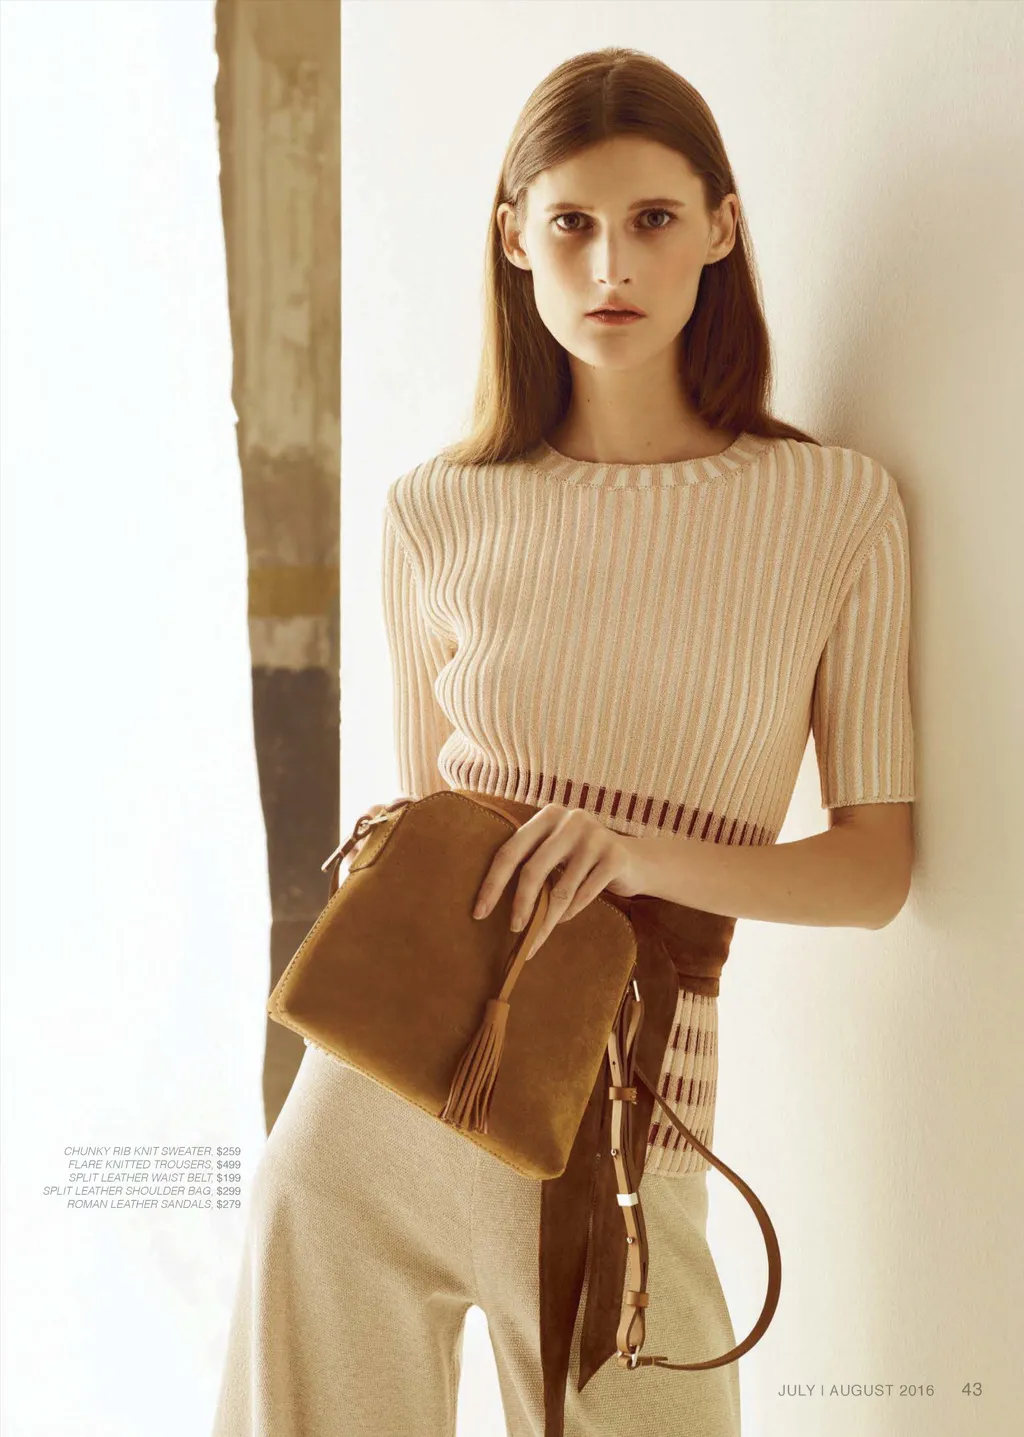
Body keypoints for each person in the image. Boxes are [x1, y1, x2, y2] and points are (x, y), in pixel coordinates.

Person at [211, 44, 915, 1437]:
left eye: (653, 219)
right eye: (572, 222)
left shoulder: (833, 510)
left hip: (629, 1126)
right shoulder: (438, 510)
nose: (611, 264)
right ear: (514, 237)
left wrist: (637, 853)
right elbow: (426, 822)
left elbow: (875, 871)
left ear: (721, 226)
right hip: (373, 1107)